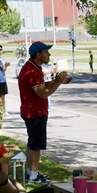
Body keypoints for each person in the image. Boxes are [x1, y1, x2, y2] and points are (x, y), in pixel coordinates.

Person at [18, 41, 71, 185]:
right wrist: (58, 82)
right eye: (46, 52)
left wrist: (56, 81)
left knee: (32, 143)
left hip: (32, 110)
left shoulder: (33, 68)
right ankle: (33, 177)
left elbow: (41, 86)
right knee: (36, 145)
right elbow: (43, 93)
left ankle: (31, 173)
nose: (49, 55)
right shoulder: (32, 71)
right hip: (35, 112)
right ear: (38, 54)